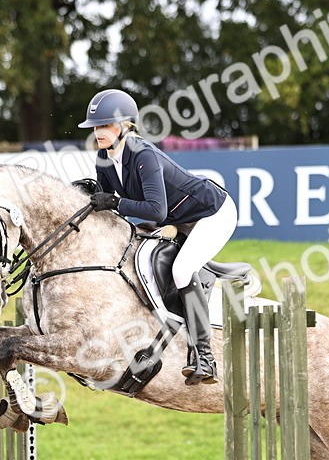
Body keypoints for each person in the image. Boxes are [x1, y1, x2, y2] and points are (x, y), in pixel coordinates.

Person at [77, 88, 237, 386]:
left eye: (104, 125)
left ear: (125, 126)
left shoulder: (143, 155)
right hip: (179, 219)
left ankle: (205, 357)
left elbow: (155, 210)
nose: (97, 132)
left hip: (212, 213)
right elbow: (107, 202)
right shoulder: (103, 157)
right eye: (95, 127)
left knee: (181, 270)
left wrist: (114, 202)